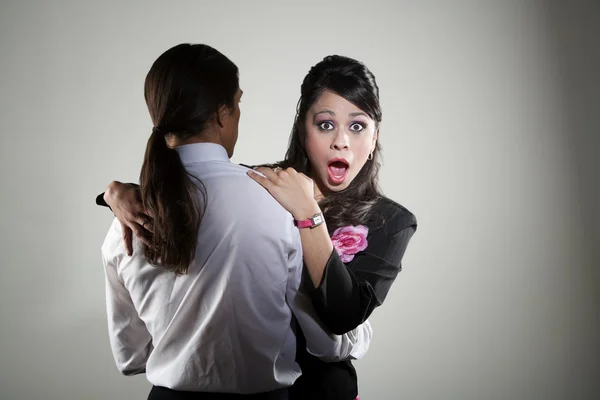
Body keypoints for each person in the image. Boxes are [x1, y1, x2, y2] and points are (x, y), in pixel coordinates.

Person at [100, 54, 417, 400]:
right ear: (302, 129)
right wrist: (118, 193)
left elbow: (343, 315)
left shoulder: (391, 221)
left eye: (357, 126)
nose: (341, 141)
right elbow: (190, 189)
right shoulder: (263, 187)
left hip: (322, 392)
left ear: (375, 138)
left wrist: (308, 214)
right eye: (325, 124)